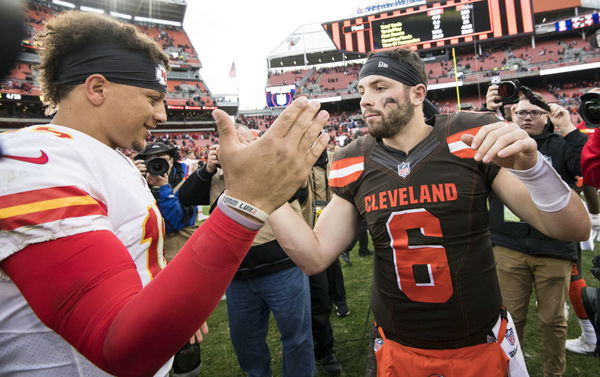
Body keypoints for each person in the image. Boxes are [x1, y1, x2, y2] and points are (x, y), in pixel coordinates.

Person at [0, 11, 330, 377]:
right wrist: (245, 205)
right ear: (97, 89)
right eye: (152, 98)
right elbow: (118, 343)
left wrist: (171, 306)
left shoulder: (106, 158)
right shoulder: (32, 162)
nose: (161, 114)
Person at [269, 48, 591, 377]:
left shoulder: (469, 136)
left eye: (380, 88)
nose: (366, 100)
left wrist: (534, 168)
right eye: (362, 90)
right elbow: (315, 257)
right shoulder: (353, 159)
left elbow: (575, 228)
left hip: (477, 341)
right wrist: (264, 195)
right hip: (396, 345)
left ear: (417, 93)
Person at [178, 124, 316, 377]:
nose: (237, 147)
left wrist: (256, 169)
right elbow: (184, 198)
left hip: (282, 268)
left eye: (242, 141)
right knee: (246, 343)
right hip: (238, 275)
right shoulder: (217, 176)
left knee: (297, 337)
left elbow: (299, 189)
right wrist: (208, 169)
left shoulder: (275, 168)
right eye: (229, 142)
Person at [485, 87, 591, 374]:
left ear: (547, 116)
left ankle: (553, 372)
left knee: (553, 319)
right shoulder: (501, 142)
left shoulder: (560, 143)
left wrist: (569, 128)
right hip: (509, 245)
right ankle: (509, 368)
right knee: (510, 317)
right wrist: (489, 112)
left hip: (554, 247)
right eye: (521, 112)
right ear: (511, 115)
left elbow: (588, 166)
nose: (527, 117)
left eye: (534, 112)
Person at [134, 142, 198, 261]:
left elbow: (176, 223)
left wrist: (164, 188)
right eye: (152, 160)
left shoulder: (187, 183)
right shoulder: (138, 182)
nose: (158, 164)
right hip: (146, 256)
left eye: (163, 159)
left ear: (172, 160)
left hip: (176, 255)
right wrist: (132, 179)